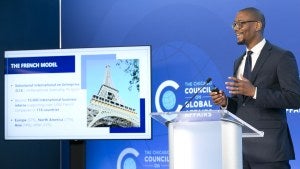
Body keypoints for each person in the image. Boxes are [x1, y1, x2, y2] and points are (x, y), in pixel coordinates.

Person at [210, 7, 300, 169]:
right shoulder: (238, 61)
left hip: (270, 151)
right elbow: (241, 104)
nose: (236, 28)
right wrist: (225, 102)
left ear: (257, 25)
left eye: (241, 23)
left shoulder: (282, 57)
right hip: (240, 150)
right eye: (235, 24)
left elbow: (295, 98)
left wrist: (255, 92)